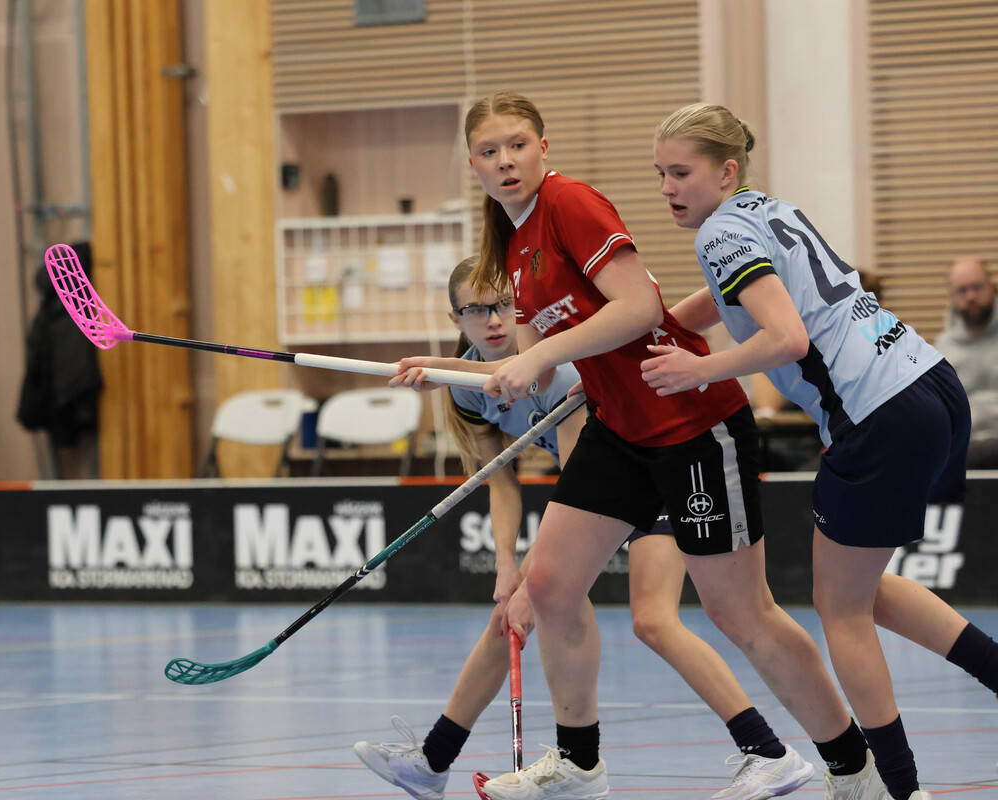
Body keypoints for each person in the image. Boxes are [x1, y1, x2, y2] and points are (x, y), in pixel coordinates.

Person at [394, 92, 872, 800]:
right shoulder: (513, 243)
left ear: (543, 148)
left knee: (742, 613)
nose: (506, 161)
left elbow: (639, 308)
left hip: (691, 422)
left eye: (518, 145)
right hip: (619, 428)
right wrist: (448, 370)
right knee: (550, 587)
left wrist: (538, 356)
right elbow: (535, 370)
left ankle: (852, 766)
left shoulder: (570, 203)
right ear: (473, 165)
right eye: (490, 152)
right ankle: (579, 765)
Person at [358, 257, 814, 800]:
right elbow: (501, 480)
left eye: (504, 304)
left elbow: (580, 484)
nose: (495, 319)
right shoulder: (467, 388)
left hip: (647, 473)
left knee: (653, 621)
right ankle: (437, 761)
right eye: (477, 310)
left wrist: (532, 576)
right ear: (455, 319)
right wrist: (506, 563)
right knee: (514, 612)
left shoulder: (556, 370)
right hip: (611, 489)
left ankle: (766, 750)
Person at [646, 102, 998, 800]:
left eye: (680, 172)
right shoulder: (766, 210)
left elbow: (785, 338)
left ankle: (900, 789)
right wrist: (644, 337)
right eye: (659, 173)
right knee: (860, 592)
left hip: (875, 413)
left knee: (840, 609)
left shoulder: (718, 232)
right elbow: (726, 299)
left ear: (726, 171)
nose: (666, 188)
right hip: (929, 382)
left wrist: (696, 369)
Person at [933, 257, 998, 468]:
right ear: (951, 296)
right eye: (962, 290)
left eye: (977, 287)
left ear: (992, 287)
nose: (970, 296)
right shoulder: (941, 349)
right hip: (961, 452)